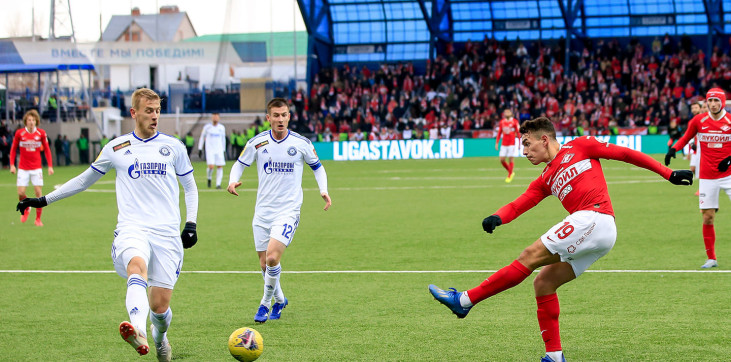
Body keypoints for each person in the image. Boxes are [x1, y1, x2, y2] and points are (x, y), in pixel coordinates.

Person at [429, 117, 693, 362]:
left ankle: (464, 301)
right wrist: (497, 217)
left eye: (527, 143)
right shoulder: (545, 178)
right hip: (597, 233)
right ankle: (554, 356)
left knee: (528, 256)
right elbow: (520, 204)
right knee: (543, 282)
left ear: (544, 139)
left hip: (595, 217)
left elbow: (624, 153)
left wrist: (667, 173)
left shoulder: (580, 146)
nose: (524, 151)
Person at [15, 88, 199, 361]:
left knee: (160, 308)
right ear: (133, 113)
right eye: (149, 111)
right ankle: (138, 331)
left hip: (167, 234)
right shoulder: (116, 148)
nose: (155, 116)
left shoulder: (173, 147)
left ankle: (160, 339)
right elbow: (83, 180)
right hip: (132, 228)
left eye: (158, 111)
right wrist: (44, 200)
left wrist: (191, 223)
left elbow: (190, 187)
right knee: (137, 266)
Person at [227, 97, 331, 324]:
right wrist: (233, 180)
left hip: (288, 210)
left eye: (284, 115)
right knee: (265, 265)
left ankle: (265, 304)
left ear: (289, 116)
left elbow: (318, 168)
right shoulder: (258, 142)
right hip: (263, 212)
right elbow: (239, 163)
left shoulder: (301, 143)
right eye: (276, 115)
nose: (280, 119)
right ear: (268, 118)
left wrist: (323, 190)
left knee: (273, 258)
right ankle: (281, 300)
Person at [666, 88, 731, 269]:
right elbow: (686, 137)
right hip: (708, 177)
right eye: (710, 101)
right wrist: (673, 149)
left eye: (716, 101)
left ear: (722, 102)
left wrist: (729, 159)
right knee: (708, 217)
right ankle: (711, 258)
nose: (712, 104)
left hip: (729, 175)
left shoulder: (729, 121)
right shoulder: (699, 121)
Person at [9, 110, 54, 226]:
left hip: (36, 168)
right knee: (21, 193)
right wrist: (12, 165)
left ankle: (38, 219)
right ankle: (27, 207)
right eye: (29, 120)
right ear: (25, 121)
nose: (31, 122)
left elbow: (47, 150)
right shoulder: (19, 133)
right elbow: (13, 149)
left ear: (36, 121)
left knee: (38, 193)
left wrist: (50, 166)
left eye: (33, 120)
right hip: (23, 168)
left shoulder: (41, 134)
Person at [198, 112, 226, 188]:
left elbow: (223, 139)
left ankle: (218, 184)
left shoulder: (221, 128)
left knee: (220, 166)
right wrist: (200, 148)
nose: (215, 118)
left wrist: (224, 149)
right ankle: (209, 178)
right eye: (214, 117)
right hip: (210, 150)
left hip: (219, 149)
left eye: (217, 117)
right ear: (212, 118)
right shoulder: (207, 127)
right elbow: (201, 137)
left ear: (219, 118)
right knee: (211, 167)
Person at [495, 109, 521, 182]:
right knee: (502, 159)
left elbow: (518, 133)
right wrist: (497, 143)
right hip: (504, 144)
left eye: (508, 112)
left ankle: (509, 175)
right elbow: (499, 132)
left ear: (511, 113)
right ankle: (511, 172)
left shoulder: (515, 122)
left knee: (510, 159)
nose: (506, 113)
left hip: (511, 143)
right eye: (505, 112)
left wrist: (519, 143)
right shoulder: (502, 122)